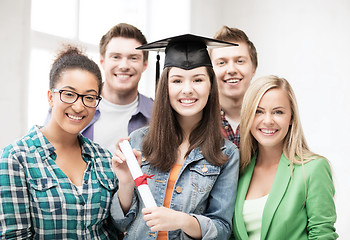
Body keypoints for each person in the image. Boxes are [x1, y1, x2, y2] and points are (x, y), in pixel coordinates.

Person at [110, 34, 240, 240]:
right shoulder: (139, 141)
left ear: (210, 86)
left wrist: (182, 220)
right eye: (177, 80)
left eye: (198, 79)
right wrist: (125, 182)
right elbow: (120, 223)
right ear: (165, 87)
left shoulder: (226, 153)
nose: (187, 90)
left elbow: (222, 229)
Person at [0, 46, 118, 239]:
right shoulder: (16, 158)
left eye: (89, 97)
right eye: (69, 94)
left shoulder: (104, 158)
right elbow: (14, 236)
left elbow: (116, 229)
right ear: (50, 97)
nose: (79, 106)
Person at [232, 75, 338, 239]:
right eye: (258, 111)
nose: (268, 121)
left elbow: (323, 235)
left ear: (291, 118)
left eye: (278, 112)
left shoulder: (313, 169)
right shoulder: (238, 170)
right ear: (247, 116)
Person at [46, 23, 153, 154]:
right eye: (116, 57)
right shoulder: (70, 106)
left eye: (133, 58)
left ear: (145, 64)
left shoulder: (158, 113)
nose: (124, 65)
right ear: (102, 61)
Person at [210, 26, 258, 148]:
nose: (231, 70)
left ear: (253, 69)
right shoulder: (198, 120)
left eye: (240, 61)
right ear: (210, 72)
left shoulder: (268, 120)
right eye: (222, 62)